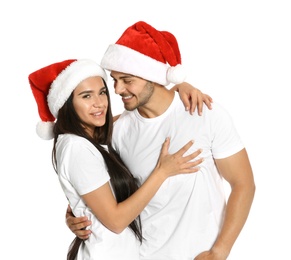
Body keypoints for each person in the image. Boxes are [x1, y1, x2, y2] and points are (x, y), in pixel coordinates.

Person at [66, 21, 256, 260]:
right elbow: (87, 176)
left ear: (152, 76)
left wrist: (220, 251)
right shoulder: (118, 131)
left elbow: (243, 184)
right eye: (114, 79)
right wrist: (73, 214)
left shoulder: (204, 113)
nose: (117, 89)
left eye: (127, 80)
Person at [29, 58, 212, 260]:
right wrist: (162, 172)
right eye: (86, 96)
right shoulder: (76, 147)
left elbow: (133, 118)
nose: (99, 103)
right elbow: (116, 221)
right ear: (67, 105)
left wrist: (178, 87)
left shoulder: (90, 140)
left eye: (102, 92)